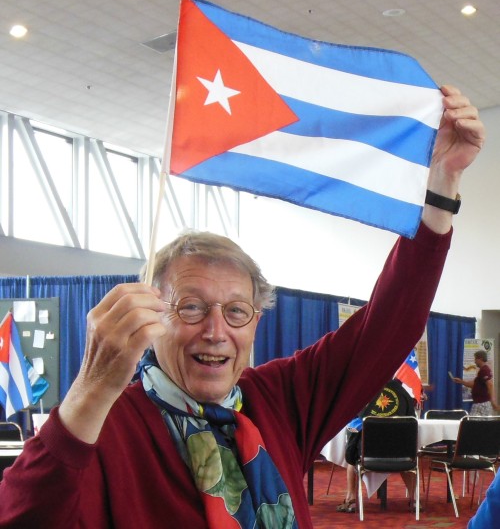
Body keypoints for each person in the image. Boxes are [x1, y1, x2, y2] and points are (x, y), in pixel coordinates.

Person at [0, 85, 484, 528]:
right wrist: (89, 391)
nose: (216, 331)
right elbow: (23, 517)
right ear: (153, 317)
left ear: (255, 323)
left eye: (236, 311)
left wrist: (442, 184)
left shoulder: (277, 400)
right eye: (192, 308)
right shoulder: (108, 426)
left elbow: (386, 328)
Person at [337, 378, 416, 514]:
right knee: (409, 457)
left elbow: (353, 419)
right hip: (399, 453)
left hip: (368, 454)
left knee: (352, 458)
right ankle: (414, 500)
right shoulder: (403, 392)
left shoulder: (363, 390)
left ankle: (351, 499)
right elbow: (412, 419)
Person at [452, 350, 500, 415]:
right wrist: (461, 381)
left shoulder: (484, 370)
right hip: (479, 403)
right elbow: (474, 384)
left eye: (476, 359)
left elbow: (490, 384)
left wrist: (493, 401)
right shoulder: (482, 371)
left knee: (474, 420)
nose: (475, 361)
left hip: (482, 404)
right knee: (475, 420)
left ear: (480, 359)